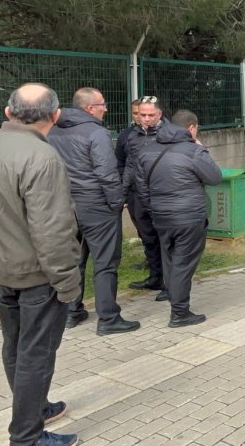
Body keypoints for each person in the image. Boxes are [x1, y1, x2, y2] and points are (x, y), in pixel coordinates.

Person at [0, 83, 81, 446]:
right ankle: (26, 439)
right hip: (36, 273)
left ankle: (36, 407)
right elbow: (53, 229)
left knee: (15, 346)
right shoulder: (42, 158)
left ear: (10, 113)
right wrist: (67, 281)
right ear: (56, 116)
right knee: (36, 353)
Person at [47, 88, 139, 335]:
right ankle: (108, 318)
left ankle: (71, 312)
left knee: (74, 260)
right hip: (96, 205)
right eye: (102, 104)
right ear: (89, 108)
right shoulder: (96, 133)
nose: (105, 108)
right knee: (105, 262)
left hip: (65, 205)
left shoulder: (52, 130)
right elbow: (106, 173)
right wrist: (117, 202)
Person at [126, 108, 225, 327]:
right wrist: (203, 150)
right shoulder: (193, 151)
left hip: (161, 217)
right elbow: (215, 177)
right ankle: (180, 313)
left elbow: (141, 189)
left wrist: (155, 210)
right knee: (183, 263)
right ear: (191, 128)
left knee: (169, 259)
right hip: (189, 217)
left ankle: (174, 297)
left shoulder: (147, 150)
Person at [119, 96, 165, 292]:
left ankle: (170, 284)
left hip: (161, 195)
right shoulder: (133, 136)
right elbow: (129, 166)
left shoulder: (170, 133)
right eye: (141, 114)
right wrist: (122, 195)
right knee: (148, 238)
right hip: (138, 195)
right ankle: (155, 277)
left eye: (150, 115)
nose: (145, 118)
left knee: (165, 238)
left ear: (159, 114)